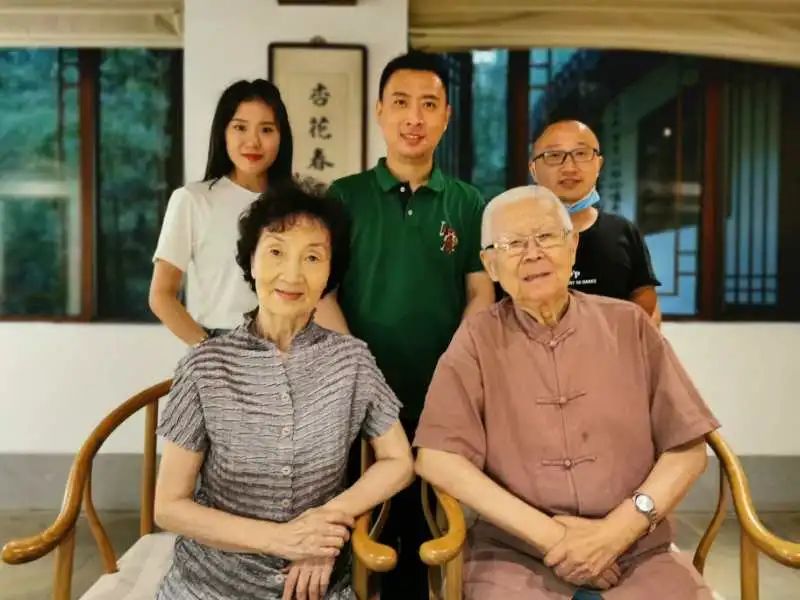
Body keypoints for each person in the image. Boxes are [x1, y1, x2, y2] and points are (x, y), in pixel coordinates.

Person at [415, 185, 719, 599]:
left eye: (545, 237)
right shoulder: (475, 339)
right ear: (490, 264)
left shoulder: (628, 325)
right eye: (513, 244)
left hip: (637, 551)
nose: (533, 254)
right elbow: (438, 457)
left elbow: (688, 449)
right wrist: (555, 538)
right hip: (514, 556)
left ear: (573, 245)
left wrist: (616, 532)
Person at [153, 183, 414, 600]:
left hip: (316, 584)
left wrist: (327, 523)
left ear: (330, 273)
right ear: (251, 261)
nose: (292, 274)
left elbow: (399, 460)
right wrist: (283, 540)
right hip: (209, 585)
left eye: (312, 257)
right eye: (276, 251)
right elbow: (169, 506)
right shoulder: (205, 365)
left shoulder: (351, 360)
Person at [314, 52, 495, 599]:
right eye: (401, 102)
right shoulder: (344, 196)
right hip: (354, 396)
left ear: (446, 117)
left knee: (423, 532)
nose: (414, 117)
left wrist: (454, 367)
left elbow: (480, 293)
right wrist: (360, 369)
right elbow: (323, 292)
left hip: (437, 395)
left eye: (429, 104)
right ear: (379, 111)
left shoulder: (467, 202)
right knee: (354, 528)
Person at [149, 79, 294, 344]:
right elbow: (161, 296)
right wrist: (209, 350)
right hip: (220, 342)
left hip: (292, 346)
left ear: (281, 137)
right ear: (223, 132)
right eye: (240, 127)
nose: (253, 142)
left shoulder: (299, 206)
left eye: (266, 129)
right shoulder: (193, 200)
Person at [530, 120, 662, 324]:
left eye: (581, 154)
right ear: (533, 169)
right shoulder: (513, 235)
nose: (569, 167)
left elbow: (644, 298)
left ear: (598, 164)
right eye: (554, 156)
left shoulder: (623, 231)